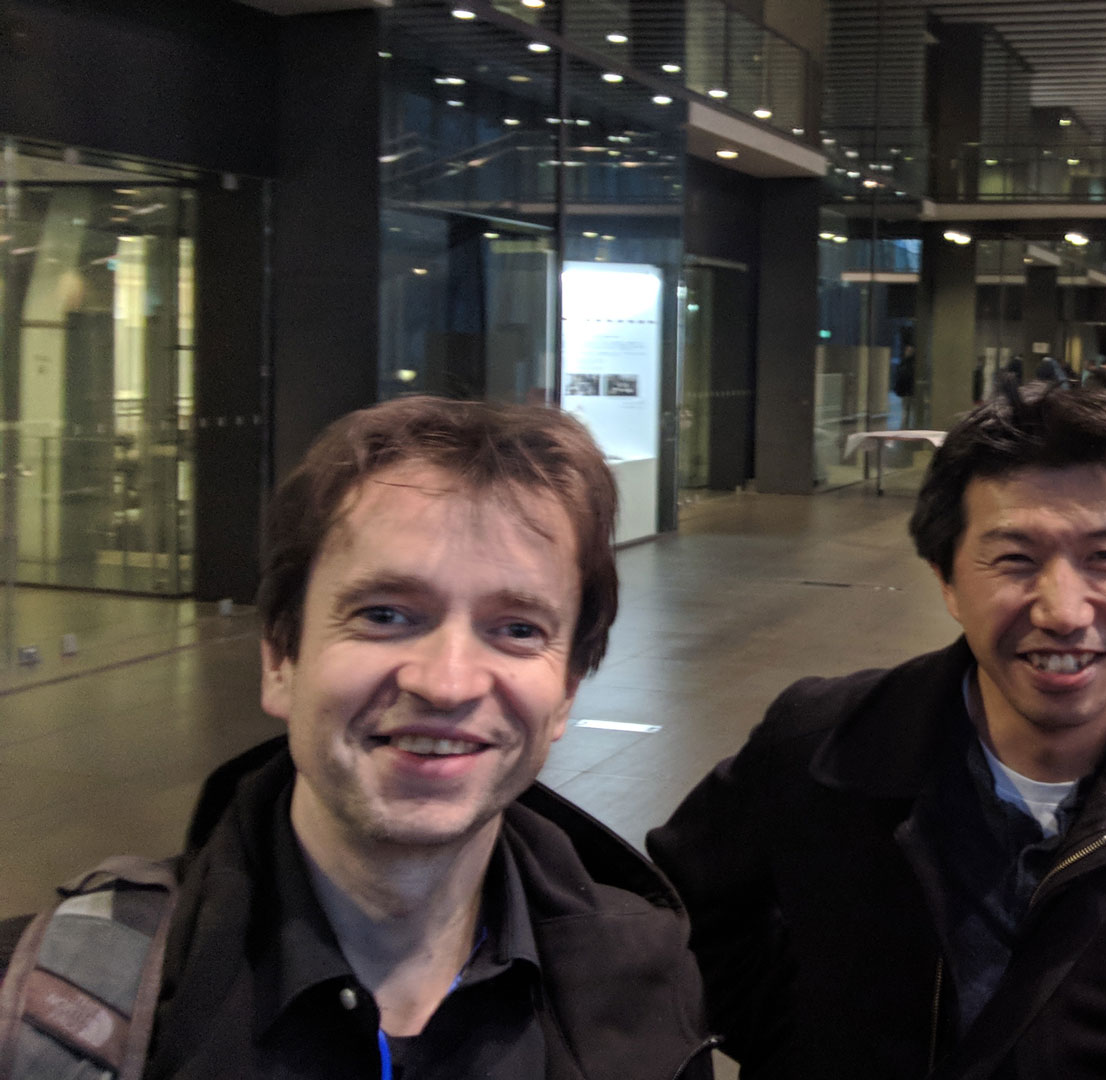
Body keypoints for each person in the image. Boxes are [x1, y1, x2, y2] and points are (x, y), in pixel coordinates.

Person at [0, 397, 711, 1079]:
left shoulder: (643, 985)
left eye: (518, 629)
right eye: (385, 614)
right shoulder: (52, 1005)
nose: (448, 683)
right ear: (281, 659)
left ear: (566, 693)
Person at [649, 385, 1106, 1079]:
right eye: (1014, 559)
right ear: (947, 580)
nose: (1063, 611)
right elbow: (676, 913)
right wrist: (801, 1046)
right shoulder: (822, 751)